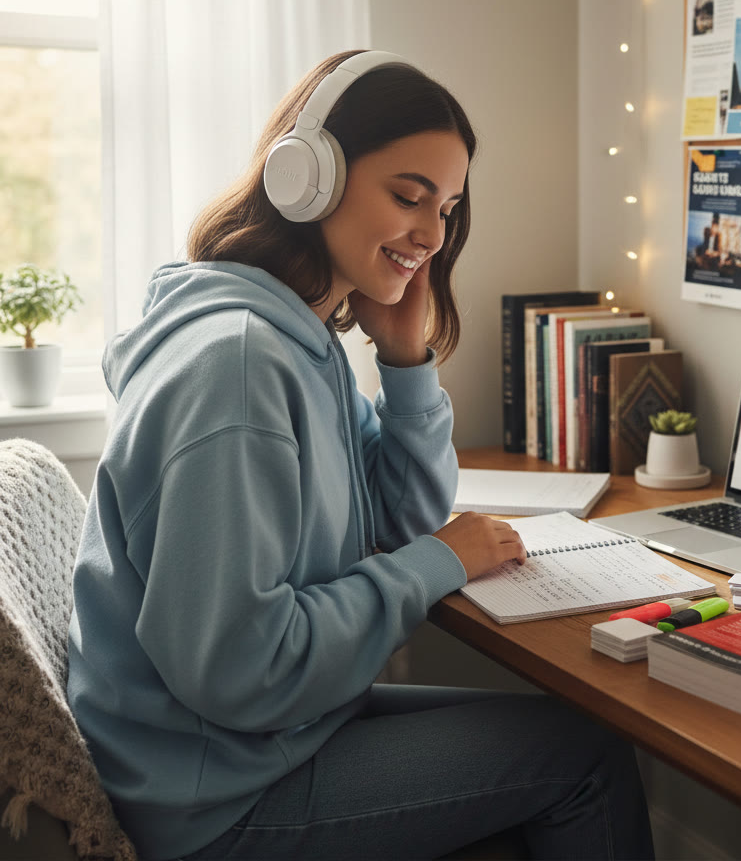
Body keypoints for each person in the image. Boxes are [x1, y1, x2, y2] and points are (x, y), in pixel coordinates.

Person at [67, 50, 655, 861]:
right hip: (214, 798)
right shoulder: (236, 368)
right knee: (584, 758)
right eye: (410, 197)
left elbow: (399, 518)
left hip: (260, 744)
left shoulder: (297, 341)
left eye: (446, 208)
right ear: (304, 177)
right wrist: (436, 565)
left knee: (574, 735)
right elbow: (243, 668)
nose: (433, 235)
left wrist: (406, 363)